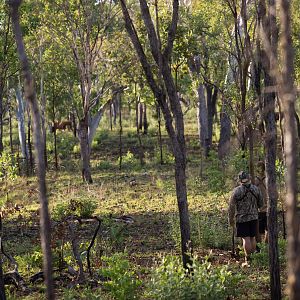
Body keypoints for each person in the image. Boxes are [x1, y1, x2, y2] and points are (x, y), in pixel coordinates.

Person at [228, 171, 263, 266]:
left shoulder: (236, 191)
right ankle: (253, 260)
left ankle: (248, 261)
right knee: (252, 238)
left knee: (246, 239)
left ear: (240, 180)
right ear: (249, 178)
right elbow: (261, 204)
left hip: (242, 218)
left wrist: (230, 219)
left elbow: (231, 207)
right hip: (254, 217)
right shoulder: (256, 189)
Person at [255, 161, 268, 244]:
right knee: (268, 229)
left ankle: (260, 248)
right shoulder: (269, 179)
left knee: (258, 230)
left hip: (257, 209)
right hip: (267, 208)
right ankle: (266, 247)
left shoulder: (253, 180)